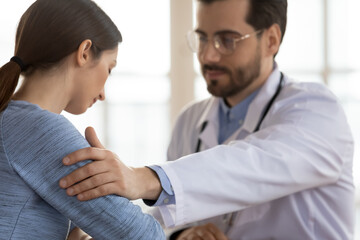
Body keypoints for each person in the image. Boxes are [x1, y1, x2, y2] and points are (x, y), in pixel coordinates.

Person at [59, 0, 355, 239]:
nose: (208, 55)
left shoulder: (316, 111)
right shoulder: (191, 120)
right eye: (202, 38)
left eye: (227, 40)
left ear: (272, 40)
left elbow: (252, 164)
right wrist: (184, 234)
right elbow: (163, 221)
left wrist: (142, 178)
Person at [0, 0, 165, 239]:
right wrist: (117, 186)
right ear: (85, 52)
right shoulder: (41, 131)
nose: (103, 94)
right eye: (109, 68)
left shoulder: (9, 115)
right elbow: (144, 235)